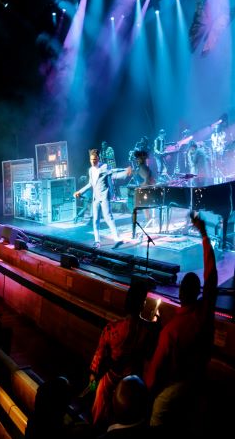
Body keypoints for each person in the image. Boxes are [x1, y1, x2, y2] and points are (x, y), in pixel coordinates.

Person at [144, 211, 217, 393]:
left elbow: (154, 373)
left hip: (173, 390)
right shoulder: (204, 314)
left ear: (181, 292)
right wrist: (204, 234)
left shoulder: (172, 331)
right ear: (197, 291)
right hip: (200, 382)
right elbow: (212, 276)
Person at [88, 280, 159, 428]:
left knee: (98, 417)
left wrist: (93, 385)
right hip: (132, 382)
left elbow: (97, 359)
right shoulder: (148, 330)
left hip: (110, 379)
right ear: (143, 304)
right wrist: (155, 322)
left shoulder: (112, 328)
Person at [74, 149, 132, 247]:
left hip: (104, 196)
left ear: (98, 158)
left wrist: (126, 171)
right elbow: (90, 184)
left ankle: (116, 238)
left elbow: (114, 171)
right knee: (95, 219)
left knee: (108, 217)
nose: (93, 161)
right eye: (91, 159)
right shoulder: (91, 170)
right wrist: (80, 191)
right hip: (95, 198)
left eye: (95, 159)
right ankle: (97, 241)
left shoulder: (104, 167)